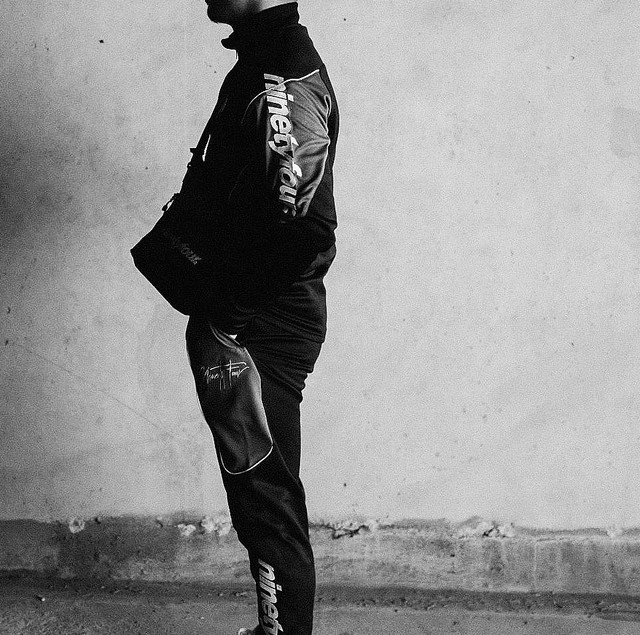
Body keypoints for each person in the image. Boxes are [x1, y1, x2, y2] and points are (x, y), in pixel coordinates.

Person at [182, 1, 339, 633]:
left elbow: (302, 228)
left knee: (265, 501)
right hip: (253, 320)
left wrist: (230, 317)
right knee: (262, 495)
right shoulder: (263, 61)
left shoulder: (281, 79)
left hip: (259, 328)